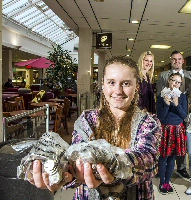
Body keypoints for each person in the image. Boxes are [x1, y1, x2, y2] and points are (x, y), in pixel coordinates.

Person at [29, 56, 162, 200]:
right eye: (111, 82)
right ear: (103, 85)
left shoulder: (149, 122)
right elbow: (75, 159)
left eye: (126, 83)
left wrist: (111, 165)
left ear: (137, 87)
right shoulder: (87, 120)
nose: (118, 90)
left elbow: (148, 161)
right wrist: (62, 174)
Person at [156, 50, 191, 179]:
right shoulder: (163, 75)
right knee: (165, 148)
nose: (176, 62)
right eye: (174, 59)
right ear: (171, 60)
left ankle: (182, 168)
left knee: (181, 144)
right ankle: (163, 171)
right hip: (167, 115)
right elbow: (159, 93)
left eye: (179, 59)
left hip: (184, 112)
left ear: (183, 61)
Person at [156, 73, 187, 195]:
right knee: (163, 157)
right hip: (166, 129)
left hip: (178, 129)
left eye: (179, 82)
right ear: (169, 81)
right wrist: (167, 105)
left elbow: (184, 116)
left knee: (173, 157)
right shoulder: (161, 96)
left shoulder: (183, 97)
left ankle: (168, 182)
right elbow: (161, 117)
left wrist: (176, 104)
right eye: (174, 81)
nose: (176, 84)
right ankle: (162, 182)